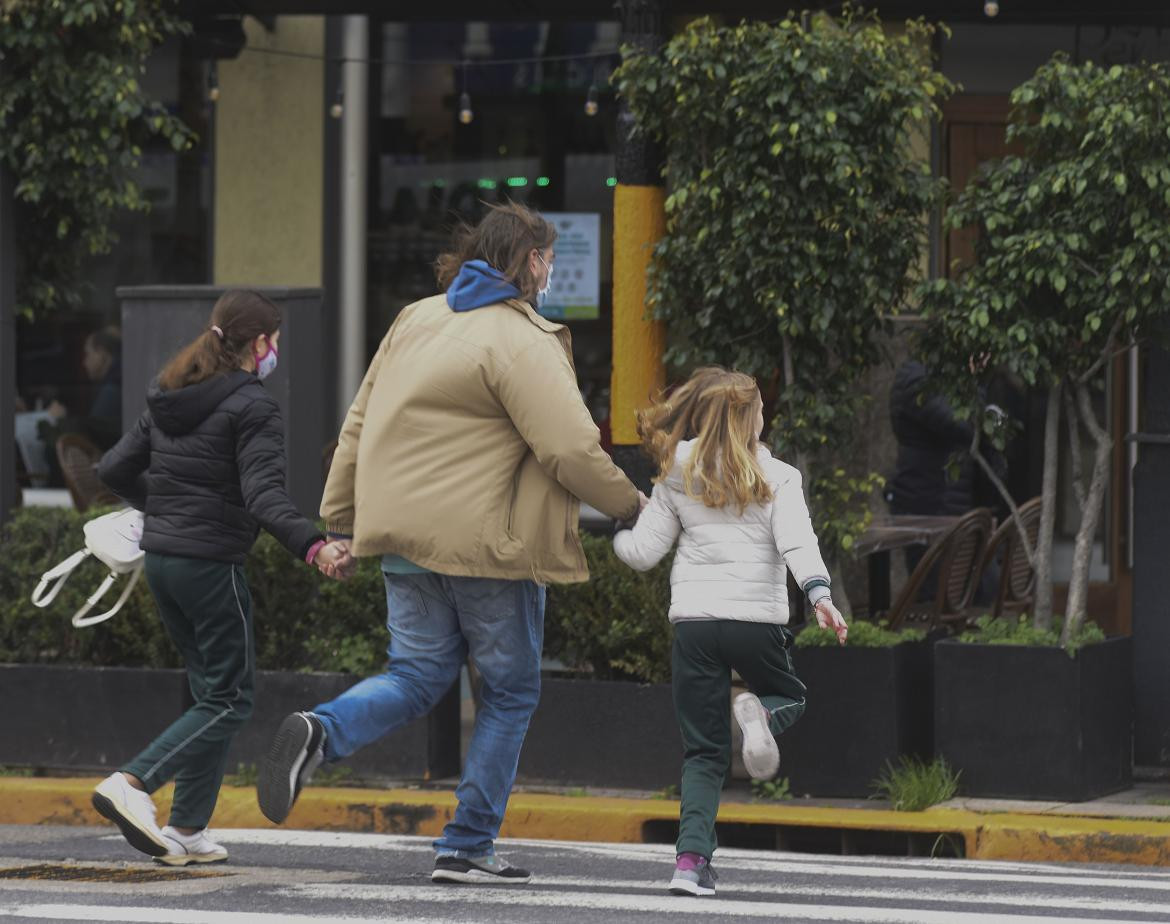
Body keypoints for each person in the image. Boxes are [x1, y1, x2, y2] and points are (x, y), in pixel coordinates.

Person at [256, 202, 643, 885]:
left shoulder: (418, 317)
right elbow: (570, 449)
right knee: (509, 692)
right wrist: (632, 504)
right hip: (488, 546)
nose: (550, 271)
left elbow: (359, 421)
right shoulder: (522, 338)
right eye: (547, 259)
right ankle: (466, 844)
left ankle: (322, 728)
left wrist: (341, 521)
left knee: (415, 675)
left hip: (402, 539)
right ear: (530, 262)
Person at [93, 289, 351, 866]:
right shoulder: (252, 406)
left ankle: (186, 828)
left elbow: (112, 468)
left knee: (213, 694)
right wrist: (314, 546)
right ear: (258, 344)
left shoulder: (170, 393)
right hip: (210, 566)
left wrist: (166, 508)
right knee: (231, 698)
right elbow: (263, 496)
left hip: (163, 562)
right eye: (275, 342)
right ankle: (132, 784)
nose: (275, 351)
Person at [611, 367, 848, 898]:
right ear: (752, 417)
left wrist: (617, 536)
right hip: (755, 625)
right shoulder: (779, 475)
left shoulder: (676, 471)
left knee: (704, 752)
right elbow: (798, 544)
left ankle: (690, 864)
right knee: (789, 694)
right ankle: (760, 711)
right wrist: (820, 596)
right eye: (761, 405)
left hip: (694, 625)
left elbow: (644, 553)